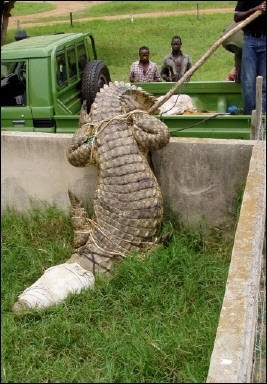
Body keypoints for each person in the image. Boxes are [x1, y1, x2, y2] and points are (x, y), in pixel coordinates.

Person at [234, 1, 266, 114]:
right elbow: (236, 17)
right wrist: (254, 10)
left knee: (264, 84)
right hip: (249, 40)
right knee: (248, 83)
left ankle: (263, 118)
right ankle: (250, 117)